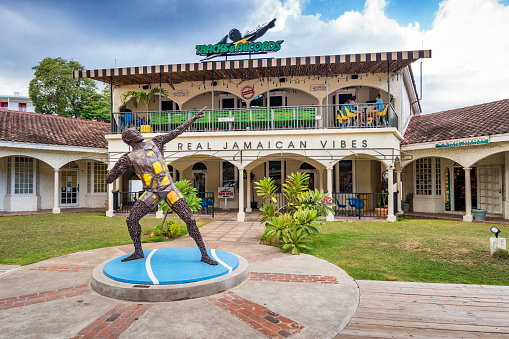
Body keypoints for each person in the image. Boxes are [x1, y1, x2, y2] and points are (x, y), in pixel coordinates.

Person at [105, 107, 218, 265]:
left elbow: (176, 131)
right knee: (131, 220)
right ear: (128, 140)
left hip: (169, 189)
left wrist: (193, 119)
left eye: (136, 130)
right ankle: (138, 251)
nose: (138, 132)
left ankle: (204, 254)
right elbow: (110, 177)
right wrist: (113, 173)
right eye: (133, 132)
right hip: (152, 193)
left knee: (190, 219)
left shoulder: (155, 142)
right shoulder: (128, 158)